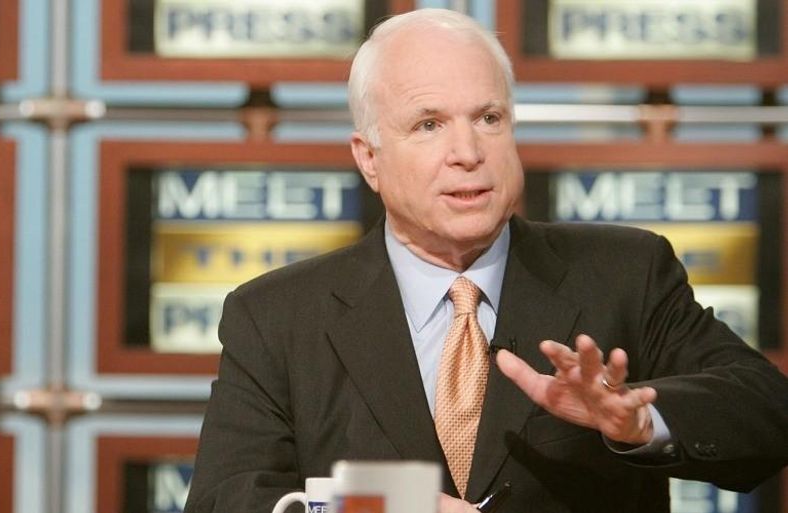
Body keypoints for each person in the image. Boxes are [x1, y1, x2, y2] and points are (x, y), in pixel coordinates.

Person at [183, 8, 788, 513]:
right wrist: (384, 505)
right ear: (369, 158)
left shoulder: (626, 272)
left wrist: (639, 421)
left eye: (489, 119)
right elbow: (224, 498)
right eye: (428, 125)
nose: (467, 152)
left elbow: (766, 411)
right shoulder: (275, 315)